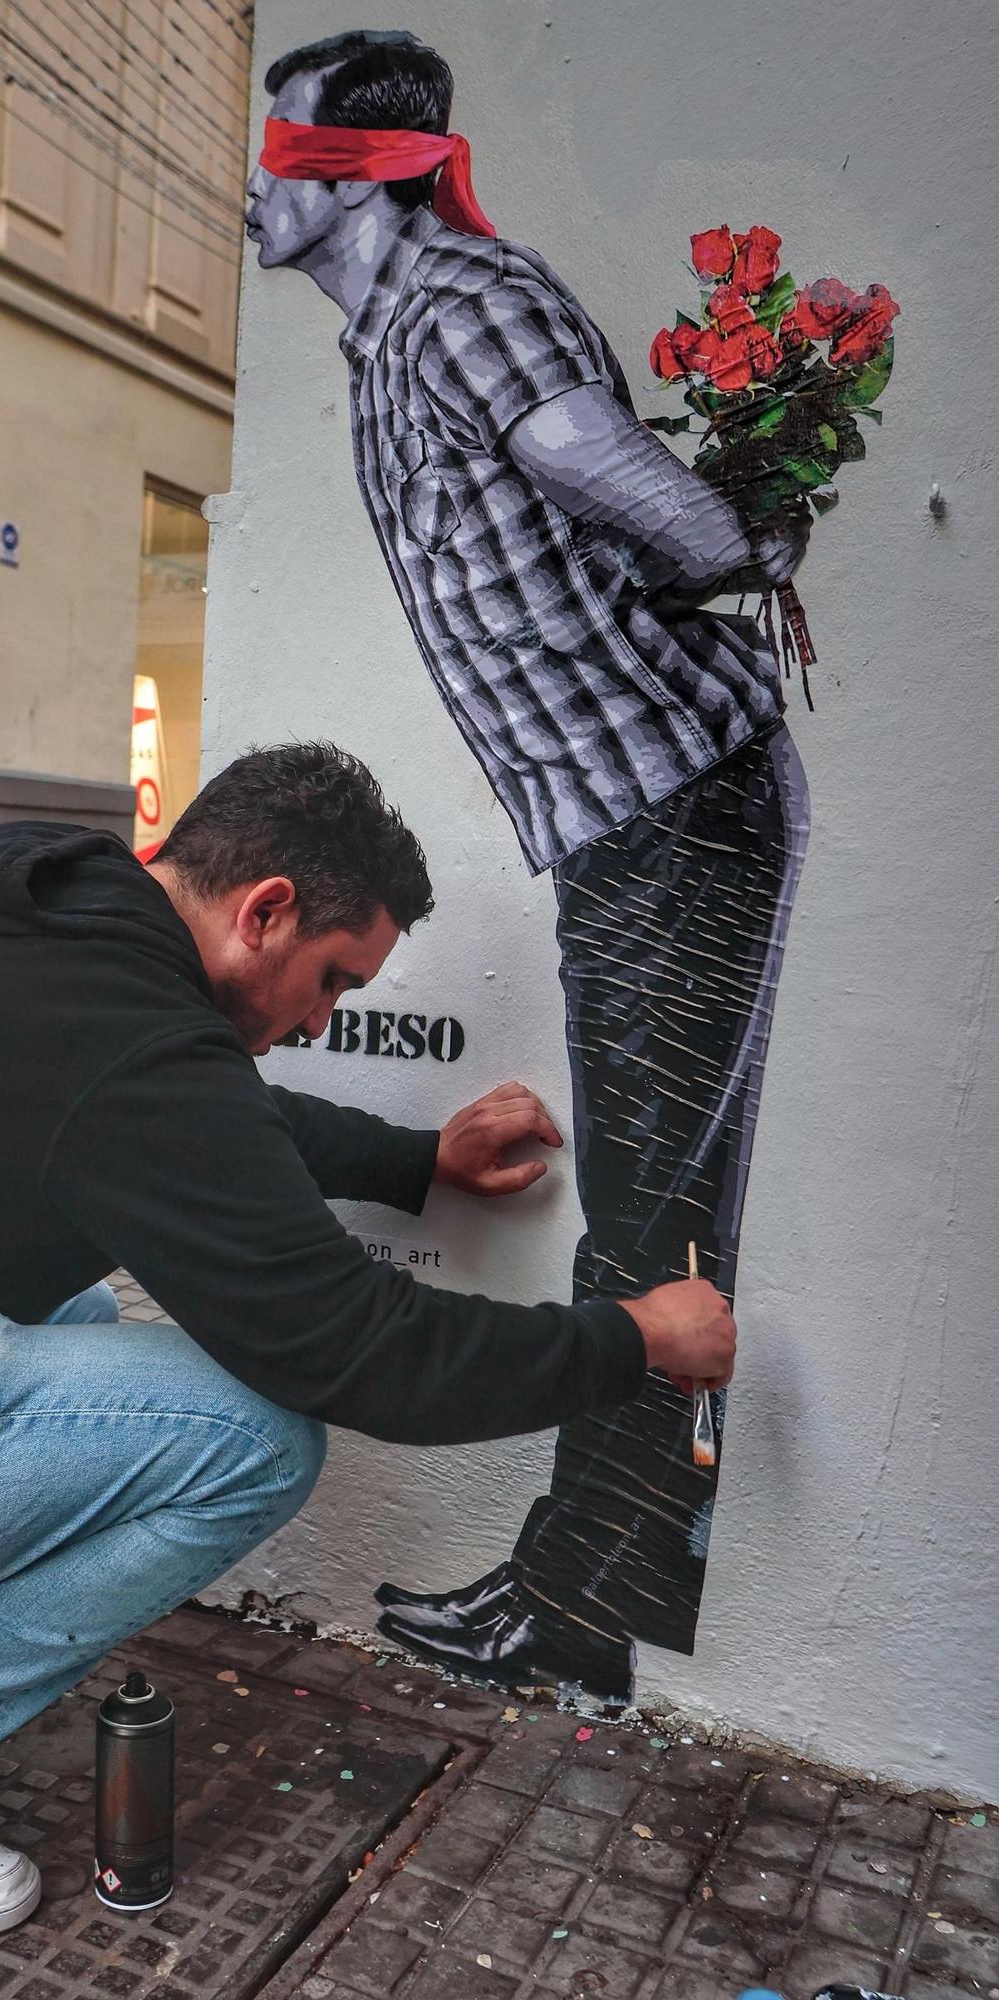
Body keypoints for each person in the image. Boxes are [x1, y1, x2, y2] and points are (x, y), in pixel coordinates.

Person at [0, 743, 736, 1945]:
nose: (323, 1016)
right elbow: (352, 1348)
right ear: (264, 909)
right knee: (254, 1439)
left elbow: (202, 1113)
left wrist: (407, 1159)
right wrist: (629, 1338)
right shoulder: (129, 1041)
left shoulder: (36, 893)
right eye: (333, 980)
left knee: (63, 1312)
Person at [247, 32, 811, 1702]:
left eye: (274, 158)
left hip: (675, 807)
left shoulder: (458, 300)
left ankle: (572, 1609)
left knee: (639, 1226)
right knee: (660, 1219)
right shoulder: (381, 345)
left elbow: (595, 467)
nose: (249, 190)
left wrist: (734, 539)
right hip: (638, 821)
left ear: (345, 178)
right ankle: (605, 1602)